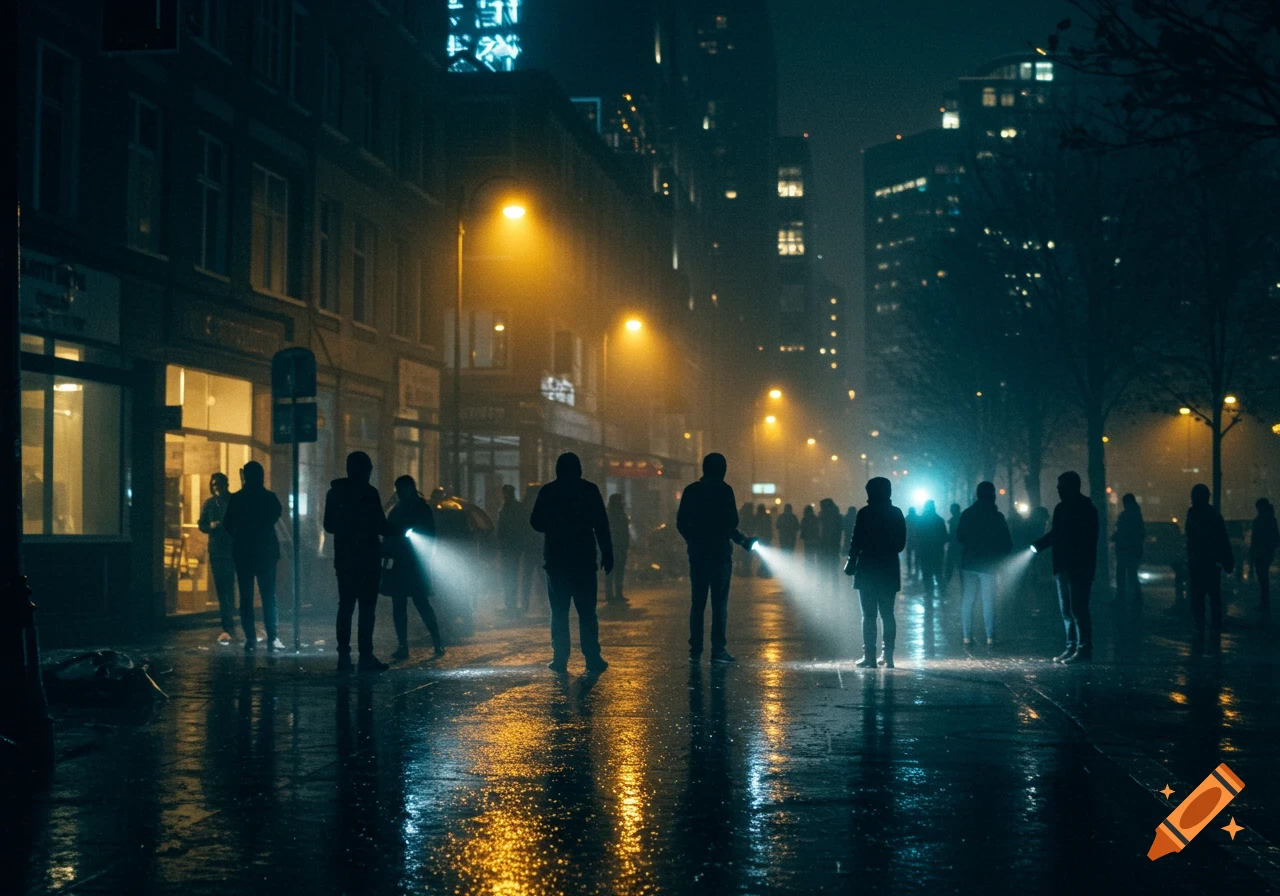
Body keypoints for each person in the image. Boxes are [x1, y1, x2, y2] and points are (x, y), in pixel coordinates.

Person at [530, 453, 613, 674]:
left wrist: (554, 524)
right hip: (584, 560)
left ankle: (560, 658)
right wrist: (607, 553)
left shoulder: (549, 491)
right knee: (587, 612)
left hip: (556, 560)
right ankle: (592, 657)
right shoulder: (589, 490)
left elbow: (535, 522)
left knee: (559, 612)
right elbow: (601, 524)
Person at [677, 453, 753, 663]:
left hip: (698, 556)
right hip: (720, 555)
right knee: (719, 605)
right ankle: (718, 650)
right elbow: (731, 523)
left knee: (698, 603)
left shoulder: (691, 491)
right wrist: (741, 540)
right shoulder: (724, 491)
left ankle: (695, 649)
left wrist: (693, 541)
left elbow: (681, 522)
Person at [324, 451, 389, 672]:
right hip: (368, 558)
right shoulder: (370, 493)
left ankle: (344, 656)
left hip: (344, 558)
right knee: (367, 608)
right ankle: (365, 655)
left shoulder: (334, 493)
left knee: (346, 606)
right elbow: (381, 525)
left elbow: (328, 526)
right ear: (366, 470)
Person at [1033, 472, 1099, 664]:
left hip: (1078, 567)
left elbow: (1085, 538)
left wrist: (1040, 545)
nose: (1058, 489)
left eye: (1061, 485)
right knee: (1067, 610)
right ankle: (1072, 646)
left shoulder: (1085, 508)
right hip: (1064, 567)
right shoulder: (1063, 508)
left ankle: (1082, 647)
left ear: (1071, 486)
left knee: (1077, 609)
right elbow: (1057, 534)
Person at [844, 477, 907, 668]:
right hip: (888, 568)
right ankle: (888, 655)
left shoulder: (865, 513)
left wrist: (851, 561)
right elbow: (900, 544)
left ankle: (869, 656)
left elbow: (856, 541)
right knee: (888, 614)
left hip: (867, 567)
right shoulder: (896, 513)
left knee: (869, 615)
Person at [222, 461, 284, 652]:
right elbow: (275, 516)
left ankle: (250, 637)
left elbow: (227, 524)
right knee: (268, 595)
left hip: (244, 552)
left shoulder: (237, 499)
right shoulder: (269, 498)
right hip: (266, 552)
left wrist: (241, 535)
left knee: (246, 596)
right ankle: (272, 635)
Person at [383, 476, 445, 660]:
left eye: (403, 489)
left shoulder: (418, 509)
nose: (401, 492)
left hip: (413, 562)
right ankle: (405, 645)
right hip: (403, 562)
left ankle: (435, 641)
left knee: (419, 603)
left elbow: (429, 533)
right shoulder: (400, 509)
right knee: (403, 605)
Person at [956, 483, 1012, 646]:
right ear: (992, 495)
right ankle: (990, 636)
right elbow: (1006, 542)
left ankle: (967, 635)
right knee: (989, 601)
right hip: (988, 564)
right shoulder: (997, 516)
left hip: (969, 563)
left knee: (968, 599)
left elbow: (959, 537)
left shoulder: (967, 514)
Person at [1184, 484, 1234, 633]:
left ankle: (1200, 625)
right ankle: (1215, 624)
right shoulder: (1213, 514)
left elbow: (1190, 536)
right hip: (1211, 561)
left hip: (1197, 561)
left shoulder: (1193, 513)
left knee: (1198, 596)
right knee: (1213, 594)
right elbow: (1222, 538)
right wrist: (1227, 559)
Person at [197, 472, 237, 644]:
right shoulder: (210, 503)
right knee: (222, 588)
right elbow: (201, 524)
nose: (216, 488)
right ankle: (227, 622)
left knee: (229, 586)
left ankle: (230, 620)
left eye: (219, 484)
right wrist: (210, 526)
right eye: (214, 485)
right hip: (216, 551)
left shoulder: (233, 501)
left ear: (225, 485)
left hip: (232, 550)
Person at [497, 484, 530, 614]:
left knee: (510, 576)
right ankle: (511, 603)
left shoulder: (507, 509)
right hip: (513, 547)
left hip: (510, 547)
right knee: (511, 576)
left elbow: (504, 529)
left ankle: (511, 604)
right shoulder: (516, 508)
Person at [1112, 493, 1146, 604]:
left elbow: (1122, 531)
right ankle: (1136, 598)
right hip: (1133, 550)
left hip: (1125, 549)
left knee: (1122, 575)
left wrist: (1116, 537)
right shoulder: (1136, 515)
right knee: (1132, 575)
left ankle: (1122, 597)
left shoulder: (1126, 515)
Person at [915, 499, 950, 600]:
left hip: (924, 552)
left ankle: (929, 593)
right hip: (937, 552)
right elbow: (945, 537)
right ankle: (942, 593)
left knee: (927, 574)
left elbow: (917, 536)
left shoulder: (921, 521)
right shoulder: (939, 520)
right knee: (938, 573)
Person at [1250, 498, 1277, 613]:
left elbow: (1255, 539)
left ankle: (1264, 602)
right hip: (1266, 553)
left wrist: (1253, 552)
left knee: (1262, 578)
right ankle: (1265, 602)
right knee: (1263, 578)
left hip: (1260, 553)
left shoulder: (1259, 520)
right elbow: (1275, 537)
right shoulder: (1271, 519)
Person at [606, 493, 632, 604]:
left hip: (617, 546)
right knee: (615, 571)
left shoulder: (612, 513)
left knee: (614, 572)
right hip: (616, 546)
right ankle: (614, 594)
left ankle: (614, 594)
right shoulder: (615, 514)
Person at [818, 498, 845, 596]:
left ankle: (823, 589)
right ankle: (835, 589)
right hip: (834, 546)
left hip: (824, 546)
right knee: (834, 570)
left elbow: (821, 532)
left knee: (824, 569)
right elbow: (841, 530)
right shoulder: (838, 516)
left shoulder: (823, 517)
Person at [944, 502, 962, 592]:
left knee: (949, 569)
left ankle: (944, 589)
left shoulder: (953, 521)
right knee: (960, 570)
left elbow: (951, 535)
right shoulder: (962, 519)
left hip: (954, 547)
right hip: (961, 548)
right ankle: (964, 589)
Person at [737, 501, 757, 577]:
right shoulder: (752, 517)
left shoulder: (743, 516)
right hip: (750, 537)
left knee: (744, 555)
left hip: (744, 538)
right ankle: (747, 570)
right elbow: (754, 527)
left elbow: (740, 526)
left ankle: (745, 570)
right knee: (748, 555)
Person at [754, 505, 773, 578]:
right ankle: (765, 569)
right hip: (767, 537)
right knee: (766, 554)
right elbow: (770, 526)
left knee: (762, 555)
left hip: (760, 537)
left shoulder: (757, 516)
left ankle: (763, 569)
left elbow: (755, 526)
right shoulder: (767, 516)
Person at [800, 505, 820, 570]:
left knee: (808, 557)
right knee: (814, 555)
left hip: (808, 541)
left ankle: (809, 570)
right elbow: (818, 529)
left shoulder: (805, 519)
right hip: (815, 540)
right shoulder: (816, 518)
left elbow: (803, 529)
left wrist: (802, 536)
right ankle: (813, 569)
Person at [905, 507, 920, 582]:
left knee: (909, 558)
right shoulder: (918, 518)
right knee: (917, 558)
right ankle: (916, 572)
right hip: (917, 541)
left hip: (909, 541)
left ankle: (909, 572)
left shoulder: (906, 518)